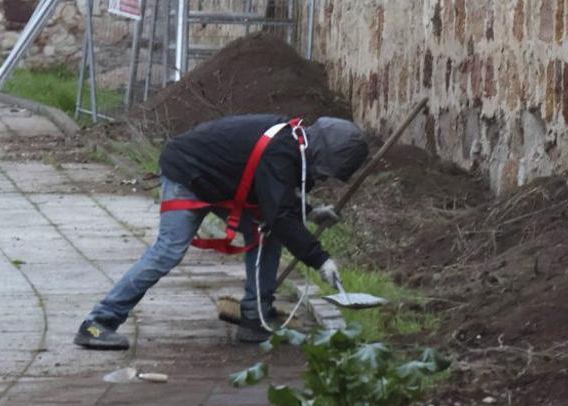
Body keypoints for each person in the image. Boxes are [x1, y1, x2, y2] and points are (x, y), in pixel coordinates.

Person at [74, 114, 369, 350]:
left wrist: (310, 211)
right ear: (322, 153)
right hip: (187, 174)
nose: (322, 176)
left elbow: (273, 195)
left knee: (265, 232)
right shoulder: (282, 151)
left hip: (219, 180)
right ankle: (98, 324)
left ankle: (254, 319)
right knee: (168, 252)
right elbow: (278, 212)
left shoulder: (293, 142)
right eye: (325, 171)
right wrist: (321, 260)